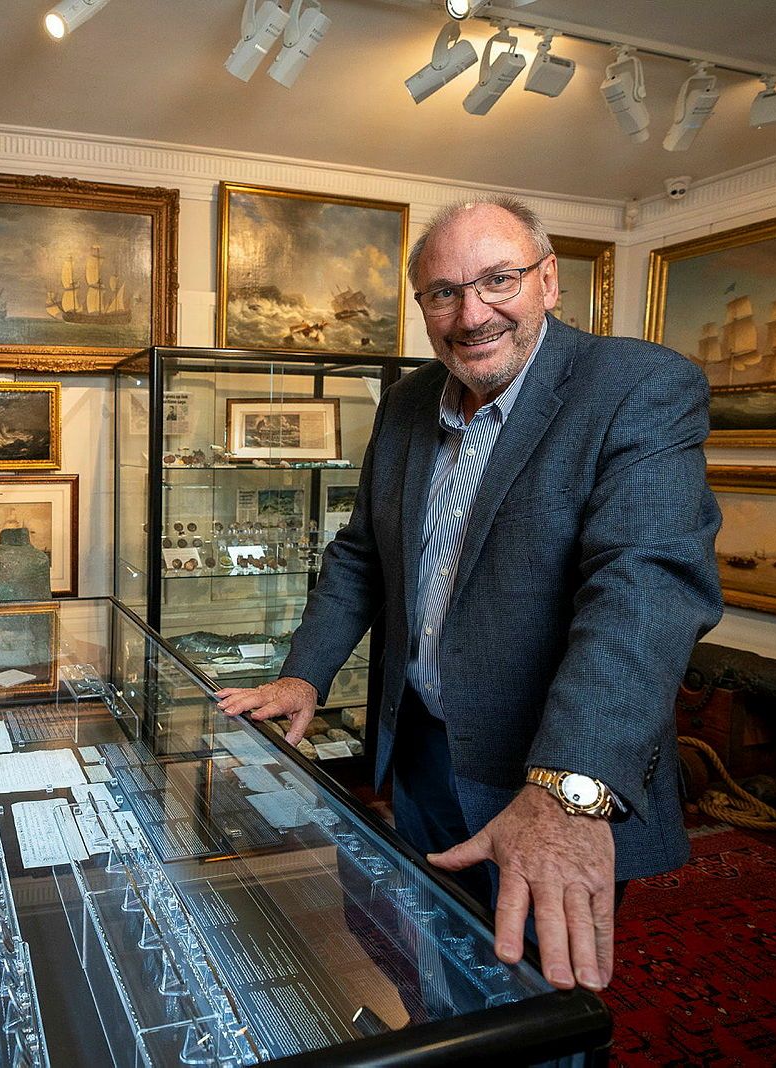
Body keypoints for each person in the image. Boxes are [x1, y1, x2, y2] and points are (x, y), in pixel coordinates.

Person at [216, 196, 723, 994]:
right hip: (420, 749)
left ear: (549, 281)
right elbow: (361, 556)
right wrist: (303, 672)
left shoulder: (637, 386)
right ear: (422, 306)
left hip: (544, 769)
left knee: (538, 1000)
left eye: (499, 280)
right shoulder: (411, 399)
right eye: (443, 292)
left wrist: (569, 790)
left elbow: (644, 588)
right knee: (439, 959)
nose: (472, 312)